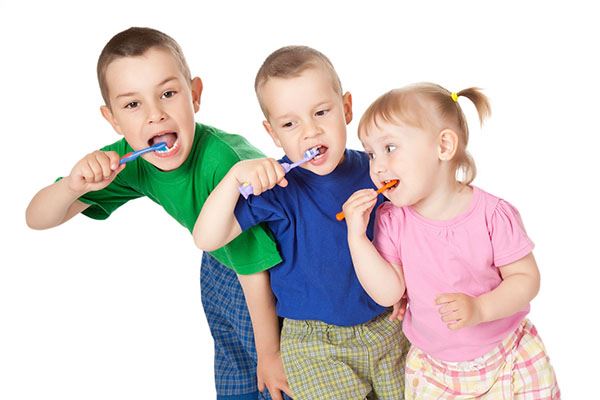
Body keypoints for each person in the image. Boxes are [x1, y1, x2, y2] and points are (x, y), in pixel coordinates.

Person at [25, 27, 289, 400]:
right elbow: (37, 218)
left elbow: (253, 265)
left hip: (271, 270)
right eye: (133, 105)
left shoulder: (221, 163)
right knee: (234, 369)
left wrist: (271, 353)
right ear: (113, 118)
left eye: (168, 94)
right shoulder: (128, 161)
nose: (155, 115)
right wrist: (73, 185)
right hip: (219, 263)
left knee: (275, 379)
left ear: (194, 95)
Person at [194, 45, 409, 400]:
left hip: (386, 327)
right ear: (273, 134)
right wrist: (234, 178)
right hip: (313, 344)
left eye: (321, 112)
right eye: (290, 124)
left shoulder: (376, 172)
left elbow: (414, 228)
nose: (310, 132)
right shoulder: (276, 188)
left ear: (347, 108)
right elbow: (206, 237)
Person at [342, 83, 560, 399]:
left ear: (443, 146)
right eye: (371, 153)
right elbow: (388, 292)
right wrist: (356, 237)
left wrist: (480, 309)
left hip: (508, 354)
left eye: (390, 148)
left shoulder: (493, 214)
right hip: (435, 369)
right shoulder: (392, 220)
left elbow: (527, 280)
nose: (377, 167)